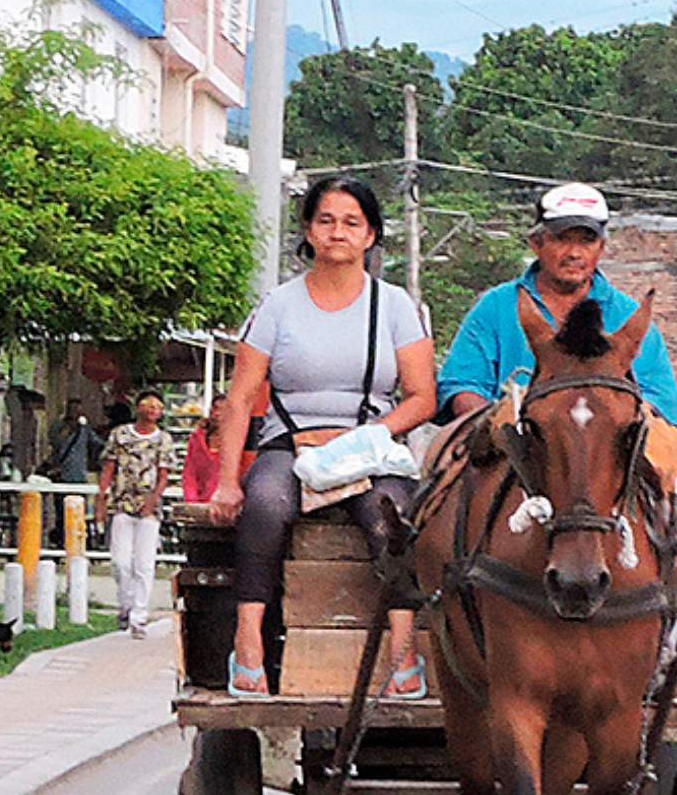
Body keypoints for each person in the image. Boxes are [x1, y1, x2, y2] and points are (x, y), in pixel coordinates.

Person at [207, 174, 438, 698]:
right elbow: (241, 397)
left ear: (371, 235)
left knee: (395, 518)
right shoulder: (277, 306)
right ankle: (248, 647)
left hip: (370, 447)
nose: (338, 232)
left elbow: (422, 396)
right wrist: (227, 483)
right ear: (309, 231)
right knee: (264, 505)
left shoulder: (395, 305)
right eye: (325, 221)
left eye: (352, 223)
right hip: (289, 443)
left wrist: (365, 439)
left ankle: (404, 654)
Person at [437, 182, 677, 428]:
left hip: (612, 453)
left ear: (602, 248)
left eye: (587, 241)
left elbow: (660, 402)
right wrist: (500, 425)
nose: (574, 253)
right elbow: (462, 385)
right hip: (511, 447)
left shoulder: (627, 316)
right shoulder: (495, 307)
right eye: (561, 239)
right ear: (536, 243)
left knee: (674, 459)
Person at [97, 391, 181, 639]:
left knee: (144, 564)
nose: (152, 410)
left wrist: (153, 499)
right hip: (123, 503)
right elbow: (109, 467)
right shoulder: (120, 435)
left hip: (149, 509)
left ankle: (139, 615)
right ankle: (125, 603)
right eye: (147, 405)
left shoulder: (163, 439)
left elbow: (164, 474)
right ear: (138, 408)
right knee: (120, 562)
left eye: (157, 406)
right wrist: (101, 497)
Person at [44, 397, 100, 548]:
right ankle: (61, 540)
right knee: (61, 512)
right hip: (62, 475)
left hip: (78, 476)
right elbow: (54, 442)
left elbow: (97, 444)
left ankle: (76, 542)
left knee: (78, 512)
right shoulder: (58, 426)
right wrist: (66, 432)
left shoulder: (85, 429)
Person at [182, 401, 227, 504]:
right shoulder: (197, 437)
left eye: (224, 410)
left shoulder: (239, 440)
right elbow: (190, 472)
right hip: (200, 502)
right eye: (215, 408)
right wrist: (191, 501)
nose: (218, 413)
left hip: (227, 504)